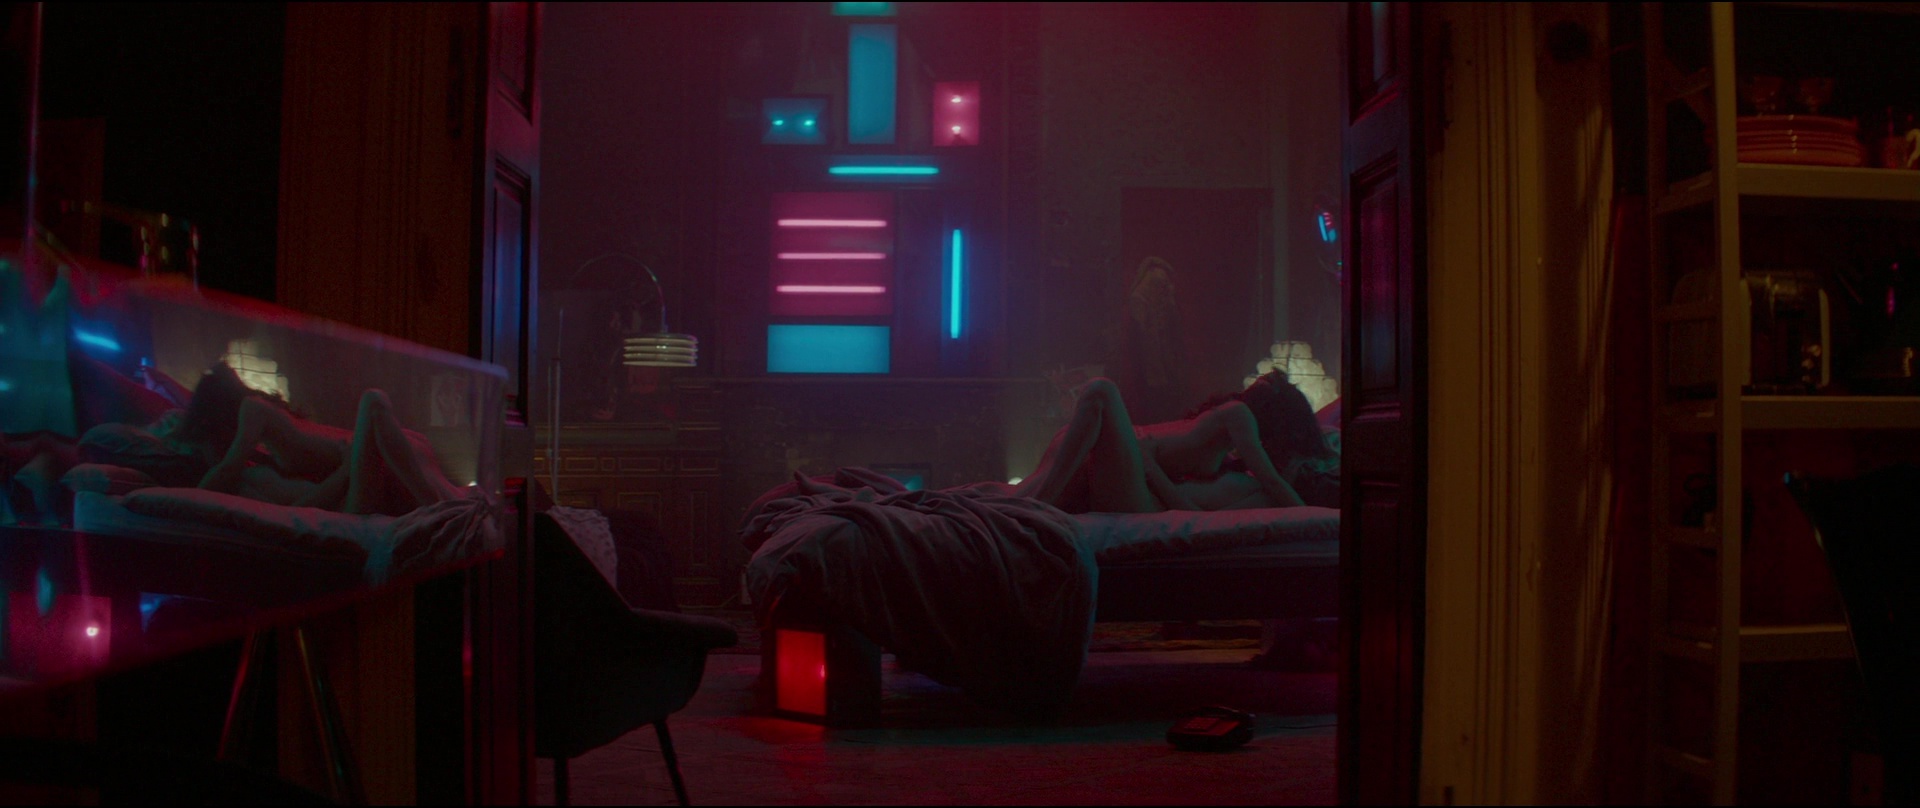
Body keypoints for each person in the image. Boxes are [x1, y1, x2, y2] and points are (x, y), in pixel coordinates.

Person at [1014, 371, 1337, 514]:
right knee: (1073, 435)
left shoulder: (1260, 491)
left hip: (1143, 497)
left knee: (1101, 392)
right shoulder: (1240, 443)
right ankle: (1020, 503)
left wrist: (1151, 468)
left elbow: (1196, 515)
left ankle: (1036, 506)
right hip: (1141, 480)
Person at [176, 363, 462, 516]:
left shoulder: (253, 415)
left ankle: (440, 509)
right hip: (353, 491)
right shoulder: (253, 468)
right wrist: (346, 471)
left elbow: (223, 471)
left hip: (354, 481)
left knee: (375, 404)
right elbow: (300, 508)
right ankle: (441, 509)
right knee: (374, 402)